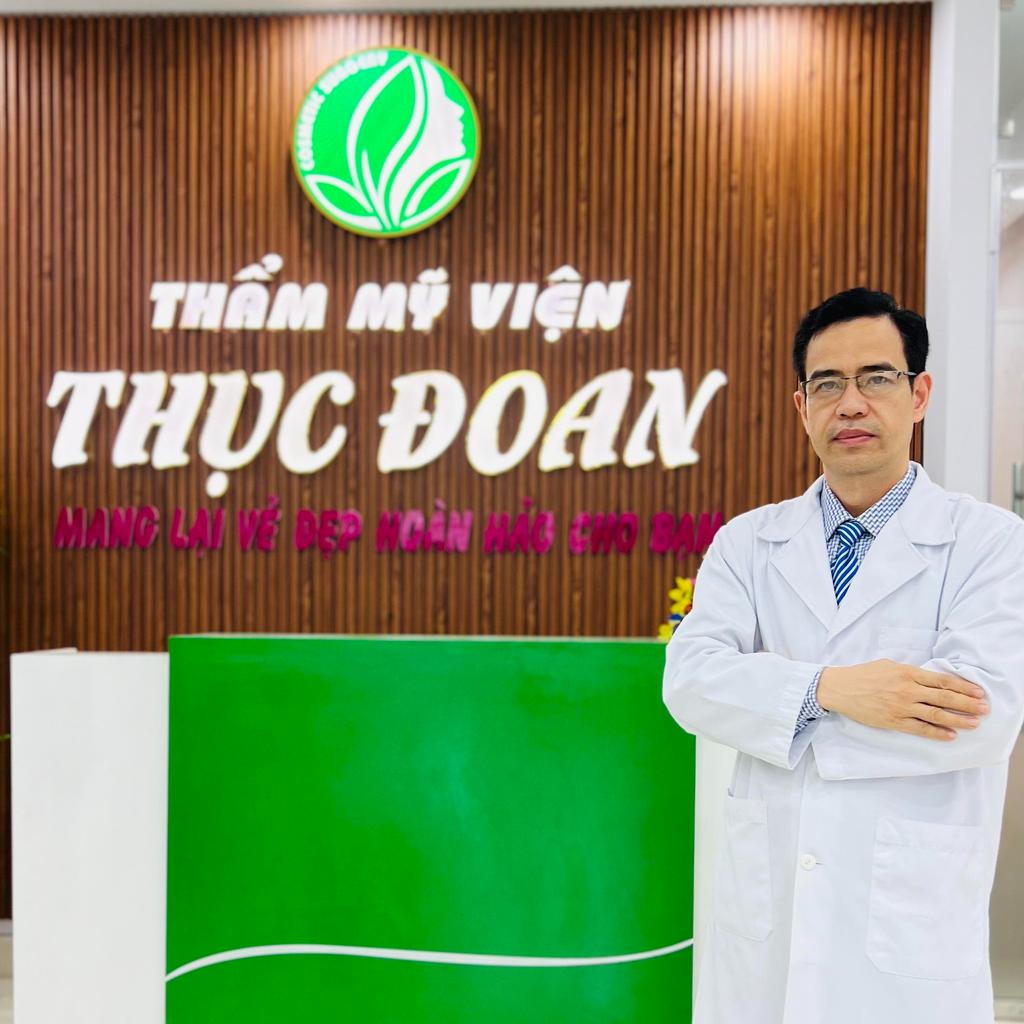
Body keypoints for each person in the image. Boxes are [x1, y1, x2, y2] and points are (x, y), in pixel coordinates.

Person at [663, 287, 1024, 1024]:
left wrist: (777, 710)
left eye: (876, 378)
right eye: (827, 384)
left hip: (908, 934)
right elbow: (690, 682)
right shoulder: (747, 543)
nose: (850, 404)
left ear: (918, 394)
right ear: (802, 406)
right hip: (766, 930)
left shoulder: (989, 546)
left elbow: (981, 719)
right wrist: (832, 690)